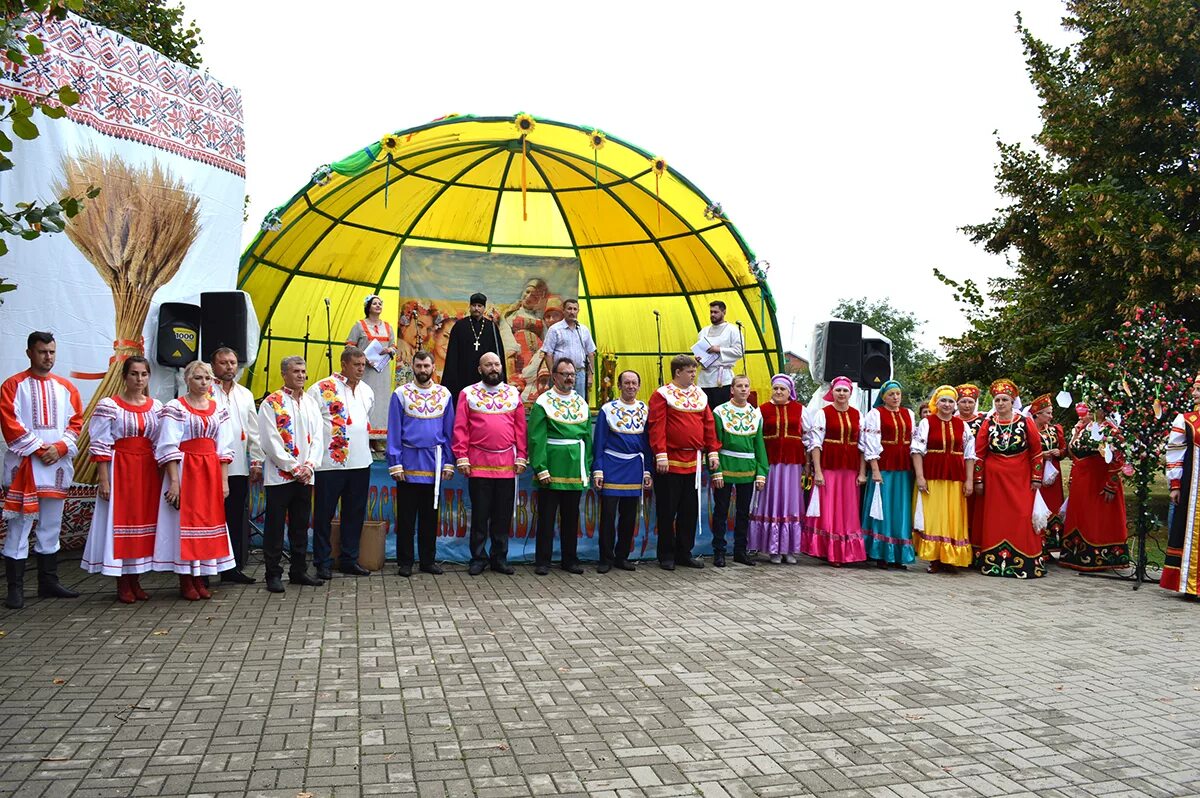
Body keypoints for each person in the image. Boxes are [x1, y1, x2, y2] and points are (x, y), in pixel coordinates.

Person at [1, 331, 83, 609]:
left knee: (51, 525)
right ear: (29, 353)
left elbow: (76, 424)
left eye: (51, 352)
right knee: (19, 526)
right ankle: (15, 588)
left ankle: (48, 582)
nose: (48, 357)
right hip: (25, 466)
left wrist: (59, 448)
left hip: (56, 466)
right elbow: (10, 424)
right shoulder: (13, 385)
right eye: (42, 352)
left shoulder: (66, 387)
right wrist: (40, 449)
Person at [152, 360, 236, 600]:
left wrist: (224, 481)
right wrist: (175, 483)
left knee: (206, 523)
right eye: (198, 378)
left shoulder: (218, 409)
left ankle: (200, 577)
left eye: (207, 378)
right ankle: (185, 579)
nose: (203, 383)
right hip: (185, 469)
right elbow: (167, 445)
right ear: (186, 380)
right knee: (183, 524)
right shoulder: (176, 408)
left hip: (209, 469)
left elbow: (224, 448)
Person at [81, 356, 162, 602]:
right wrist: (104, 480)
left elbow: (160, 442)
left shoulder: (156, 407)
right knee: (121, 522)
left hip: (147, 469)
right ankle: (122, 581)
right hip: (121, 468)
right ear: (124, 377)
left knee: (142, 522)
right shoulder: (110, 405)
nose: (139, 379)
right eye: (134, 374)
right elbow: (100, 444)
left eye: (144, 374)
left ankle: (135, 578)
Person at [452, 352, 527, 576]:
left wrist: (521, 455)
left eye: (496, 364)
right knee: (480, 514)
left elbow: (520, 428)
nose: (493, 368)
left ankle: (499, 557)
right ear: (480, 369)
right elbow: (460, 427)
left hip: (506, 463)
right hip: (478, 463)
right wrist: (461, 456)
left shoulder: (513, 393)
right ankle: (478, 557)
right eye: (488, 365)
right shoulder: (468, 393)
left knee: (502, 515)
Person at [258, 356, 326, 593]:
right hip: (279, 477)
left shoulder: (310, 403)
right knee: (275, 526)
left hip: (305, 476)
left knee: (300, 524)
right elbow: (269, 440)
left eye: (303, 371)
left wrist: (309, 465)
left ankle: (298, 570)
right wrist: (292, 467)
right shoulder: (272, 402)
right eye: (295, 371)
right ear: (284, 374)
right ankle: (272, 574)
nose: (301, 375)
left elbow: (319, 437)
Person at [309, 346, 375, 579]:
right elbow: (311, 424)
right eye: (356, 365)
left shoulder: (367, 391)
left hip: (360, 462)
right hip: (330, 464)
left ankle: (349, 558)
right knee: (324, 513)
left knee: (354, 513)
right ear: (344, 364)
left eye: (363, 365)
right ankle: (322, 561)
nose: (360, 369)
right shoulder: (321, 388)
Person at [649, 354, 720, 570]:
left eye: (694, 371)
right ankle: (666, 555)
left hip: (694, 462)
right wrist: (660, 453)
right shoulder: (662, 395)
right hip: (670, 461)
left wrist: (713, 451)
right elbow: (656, 425)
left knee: (689, 511)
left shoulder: (699, 395)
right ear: (678, 372)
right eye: (690, 371)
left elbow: (708, 423)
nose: (693, 375)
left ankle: (684, 552)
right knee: (667, 510)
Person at [387, 350, 455, 577]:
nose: (423, 370)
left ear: (433, 367)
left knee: (429, 517)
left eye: (427, 366)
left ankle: (428, 560)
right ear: (413, 367)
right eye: (419, 366)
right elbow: (394, 430)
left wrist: (448, 462)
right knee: (406, 517)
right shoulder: (401, 394)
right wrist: (395, 462)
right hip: (408, 463)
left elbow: (449, 431)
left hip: (434, 464)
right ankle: (405, 562)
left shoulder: (444, 394)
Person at [973, 378, 1046, 579]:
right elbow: (979, 453)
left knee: (1022, 515)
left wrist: (1036, 477)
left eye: (1005, 399)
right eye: (997, 400)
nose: (1001, 403)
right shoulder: (988, 422)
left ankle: (1025, 562)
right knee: (995, 518)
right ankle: (994, 562)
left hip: (1020, 478)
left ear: (1013, 401)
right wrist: (978, 480)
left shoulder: (1025, 421)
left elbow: (1036, 451)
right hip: (994, 480)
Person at [528, 358, 591, 576]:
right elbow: (536, 437)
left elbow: (587, 439)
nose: (569, 378)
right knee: (546, 517)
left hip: (574, 468)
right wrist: (541, 467)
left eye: (572, 374)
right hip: (551, 468)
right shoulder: (543, 401)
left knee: (571, 517)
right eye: (565, 374)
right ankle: (543, 561)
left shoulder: (581, 402)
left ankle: (569, 559)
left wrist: (587, 467)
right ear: (554, 376)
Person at [592, 370, 653, 573]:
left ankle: (622, 556)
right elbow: (599, 441)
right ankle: (605, 558)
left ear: (639, 385)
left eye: (634, 383)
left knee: (629, 516)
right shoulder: (608, 409)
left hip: (634, 466)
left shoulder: (645, 409)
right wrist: (598, 470)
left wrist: (647, 471)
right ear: (619, 385)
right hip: (611, 465)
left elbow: (647, 444)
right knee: (608, 516)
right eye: (626, 382)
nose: (630, 386)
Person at [210, 347, 262, 585]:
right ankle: (205, 566)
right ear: (213, 365)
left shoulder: (245, 394)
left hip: (238, 466)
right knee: (209, 517)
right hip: (209, 467)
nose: (229, 366)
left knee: (234, 516)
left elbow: (254, 431)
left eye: (232, 362)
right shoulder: (206, 391)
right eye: (223, 362)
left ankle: (232, 567)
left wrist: (256, 460)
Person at [1058, 401, 1130, 571]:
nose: (1087, 412)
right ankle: (1077, 554)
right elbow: (1073, 451)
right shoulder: (1085, 428)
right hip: (1082, 482)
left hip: (1098, 481)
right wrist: (1075, 433)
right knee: (1081, 516)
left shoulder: (1111, 430)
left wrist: (1111, 484)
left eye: (1091, 409)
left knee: (1097, 519)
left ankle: (1100, 556)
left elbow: (1118, 457)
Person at [911, 386, 976, 573]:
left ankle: (951, 557)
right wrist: (920, 477)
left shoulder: (962, 425)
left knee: (953, 516)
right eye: (943, 401)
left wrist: (969, 480)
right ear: (936, 403)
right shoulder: (927, 423)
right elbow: (916, 451)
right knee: (935, 516)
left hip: (956, 478)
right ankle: (935, 557)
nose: (947, 405)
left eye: (950, 401)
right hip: (933, 476)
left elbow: (969, 455)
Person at [805, 376, 868, 567]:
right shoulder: (823, 413)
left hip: (850, 470)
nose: (841, 394)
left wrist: (862, 472)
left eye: (845, 391)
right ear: (832, 392)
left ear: (850, 393)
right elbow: (816, 444)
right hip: (829, 468)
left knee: (848, 510)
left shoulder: (858, 415)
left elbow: (863, 446)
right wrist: (818, 471)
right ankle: (827, 551)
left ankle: (846, 551)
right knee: (829, 509)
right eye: (838, 390)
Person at [749, 374, 808, 565]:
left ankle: (789, 549)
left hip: (792, 465)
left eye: (783, 389)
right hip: (771, 463)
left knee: (791, 503)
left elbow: (809, 437)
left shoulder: (800, 410)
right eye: (776, 388)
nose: (779, 392)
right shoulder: (762, 410)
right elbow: (754, 435)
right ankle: (773, 549)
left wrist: (807, 463)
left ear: (790, 391)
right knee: (771, 501)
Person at [710, 375, 768, 567]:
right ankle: (719, 551)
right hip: (725, 466)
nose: (744, 389)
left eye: (746, 386)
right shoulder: (720, 411)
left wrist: (761, 472)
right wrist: (715, 471)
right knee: (721, 511)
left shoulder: (755, 414)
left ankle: (740, 551)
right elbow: (715, 442)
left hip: (748, 469)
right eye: (739, 386)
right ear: (732, 390)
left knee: (744, 512)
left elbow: (759, 445)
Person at [860, 380, 916, 569]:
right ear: (883, 396)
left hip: (903, 469)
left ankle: (899, 554)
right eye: (891, 394)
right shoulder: (876, 414)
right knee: (882, 509)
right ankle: (881, 553)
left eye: (898, 394)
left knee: (900, 509)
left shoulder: (909, 414)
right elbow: (870, 443)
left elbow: (914, 441)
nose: (895, 397)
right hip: (884, 468)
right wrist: (875, 470)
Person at [1162, 372, 1200, 598]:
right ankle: (1190, 583)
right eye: (1195, 389)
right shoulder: (1186, 420)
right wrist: (1175, 484)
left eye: (1197, 389)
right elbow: (1175, 453)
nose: (1194, 393)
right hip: (1193, 489)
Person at [526, 298, 596, 403]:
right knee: (560, 403)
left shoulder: (583, 330)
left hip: (580, 373)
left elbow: (590, 353)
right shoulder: (555, 329)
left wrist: (590, 376)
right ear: (564, 311)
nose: (572, 312)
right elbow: (548, 353)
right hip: (561, 374)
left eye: (574, 309)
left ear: (578, 311)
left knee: (579, 403)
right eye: (569, 309)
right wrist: (552, 373)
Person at [345, 294, 396, 437]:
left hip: (382, 370)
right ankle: (365, 436)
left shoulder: (387, 326)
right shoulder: (359, 325)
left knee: (381, 401)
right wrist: (361, 357)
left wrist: (390, 350)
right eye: (375, 303)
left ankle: (379, 437)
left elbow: (394, 346)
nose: (378, 306)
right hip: (364, 371)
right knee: (364, 399)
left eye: (380, 303)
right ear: (368, 307)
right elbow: (349, 346)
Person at [442, 293, 506, 401]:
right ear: (470, 307)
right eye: (474, 305)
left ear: (484, 308)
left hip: (485, 376)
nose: (476, 308)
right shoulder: (459, 326)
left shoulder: (491, 327)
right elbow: (452, 356)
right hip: (463, 374)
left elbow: (498, 354)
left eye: (479, 306)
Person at [1030, 393, 1067, 555]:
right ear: (1037, 414)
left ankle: (1053, 544)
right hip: (1037, 475)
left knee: (1054, 507)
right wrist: (1041, 455)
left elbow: (1065, 450)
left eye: (1051, 413)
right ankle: (1039, 544)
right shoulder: (1029, 430)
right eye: (1048, 413)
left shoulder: (1055, 430)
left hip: (1053, 477)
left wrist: (1059, 451)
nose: (1051, 416)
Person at [956, 383, 986, 555]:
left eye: (970, 402)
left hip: (977, 470)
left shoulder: (983, 421)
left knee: (975, 509)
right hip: (956, 468)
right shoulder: (952, 421)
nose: (967, 405)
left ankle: (975, 548)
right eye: (963, 402)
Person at [695, 301, 743, 408]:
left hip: (722, 379)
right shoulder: (703, 331)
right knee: (705, 410)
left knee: (720, 410)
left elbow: (739, 351)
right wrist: (698, 358)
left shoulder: (733, 330)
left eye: (716, 312)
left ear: (724, 312)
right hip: (704, 379)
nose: (712, 315)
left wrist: (719, 349)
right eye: (711, 312)